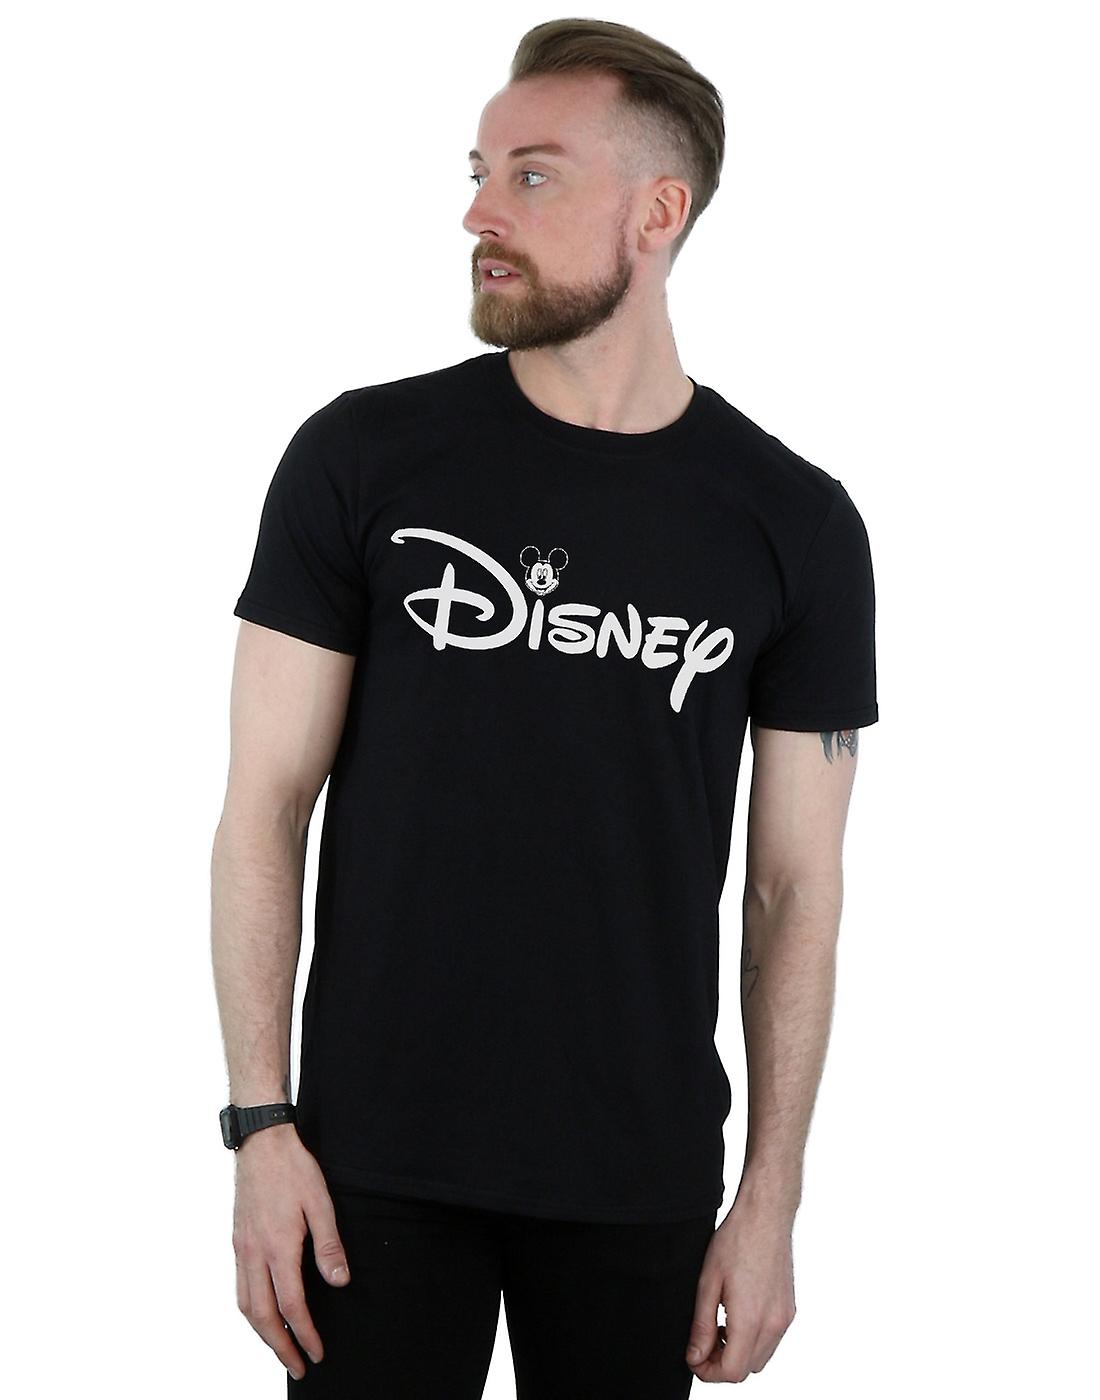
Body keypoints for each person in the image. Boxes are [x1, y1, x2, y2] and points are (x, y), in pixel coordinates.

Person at [210, 18, 878, 1398]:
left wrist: (771, 1200)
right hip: (368, 1169)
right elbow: (264, 808)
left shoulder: (796, 526)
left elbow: (794, 890)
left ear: (658, 211)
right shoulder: (362, 458)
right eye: (478, 173)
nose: (478, 214)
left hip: (639, 1180)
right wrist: (261, 1126)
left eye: (531, 175)